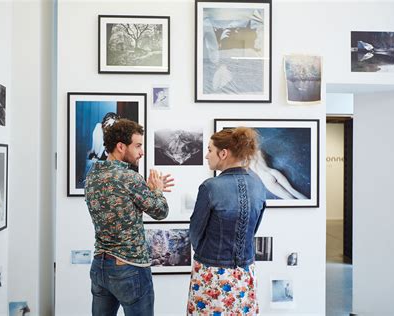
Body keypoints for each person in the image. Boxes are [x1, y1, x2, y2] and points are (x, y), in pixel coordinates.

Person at [85, 119, 174, 316]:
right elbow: (160, 212)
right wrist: (157, 191)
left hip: (100, 266)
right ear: (120, 146)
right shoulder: (130, 178)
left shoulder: (92, 175)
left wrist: (147, 191)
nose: (141, 152)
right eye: (138, 146)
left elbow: (121, 204)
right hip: (129, 268)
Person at [187, 127, 266, 315]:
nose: (207, 156)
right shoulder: (258, 185)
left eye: (209, 150)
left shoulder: (210, 187)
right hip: (246, 273)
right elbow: (254, 228)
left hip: (211, 273)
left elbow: (195, 232)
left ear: (223, 153)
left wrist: (208, 255)